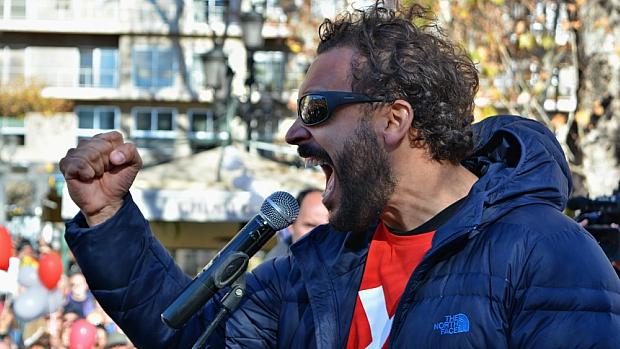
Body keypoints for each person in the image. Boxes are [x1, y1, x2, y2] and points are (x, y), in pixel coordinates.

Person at [59, 2, 620, 348]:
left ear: (393, 119)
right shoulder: (318, 265)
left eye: (317, 111)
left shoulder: (548, 254)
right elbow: (193, 337)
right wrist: (107, 218)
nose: (294, 135)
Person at [264, 188, 329, 260]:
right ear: (291, 225)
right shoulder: (275, 267)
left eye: (329, 227)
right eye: (310, 225)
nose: (320, 234)